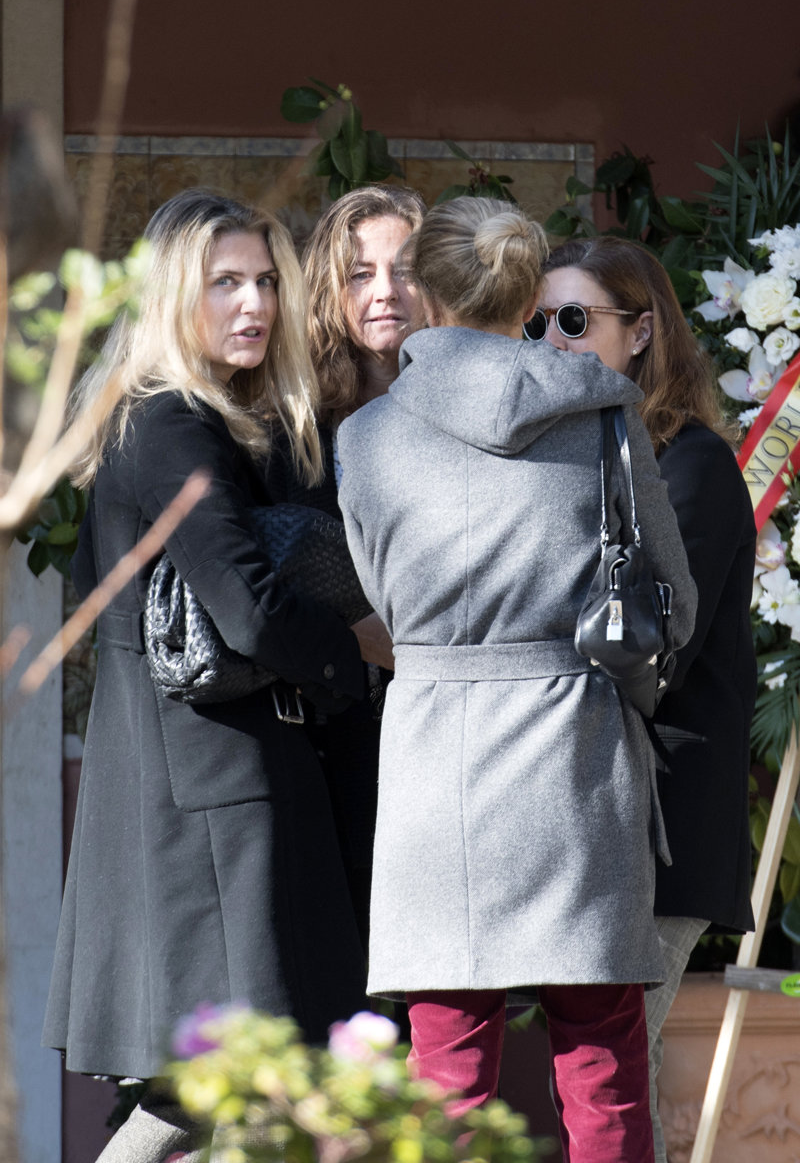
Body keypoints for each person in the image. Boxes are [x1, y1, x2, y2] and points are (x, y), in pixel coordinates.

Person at [336, 197, 698, 1163]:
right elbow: (672, 600)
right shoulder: (603, 412)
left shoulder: (365, 436)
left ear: (427, 290)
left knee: (445, 1075)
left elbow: (380, 596)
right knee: (603, 1067)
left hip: (432, 764)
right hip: (577, 754)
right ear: (530, 295)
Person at [43, 189, 371, 1162]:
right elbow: (248, 610)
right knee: (250, 1087)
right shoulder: (170, 423)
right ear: (171, 294)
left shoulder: (197, 420)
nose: (254, 304)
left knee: (214, 1090)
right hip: (214, 802)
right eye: (224, 282)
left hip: (205, 788)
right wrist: (359, 649)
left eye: (265, 281)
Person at [536, 237, 756, 1163]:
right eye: (535, 323)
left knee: (617, 1076)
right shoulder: (571, 454)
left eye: (574, 320)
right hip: (586, 814)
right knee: (606, 1082)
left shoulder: (690, 464)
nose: (552, 341)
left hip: (659, 822)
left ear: (641, 331)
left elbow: (651, 652)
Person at [266, 184, 426, 950]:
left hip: (449, 735)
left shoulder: (475, 417)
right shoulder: (291, 426)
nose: (385, 290)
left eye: (406, 268)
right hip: (332, 736)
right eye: (361, 273)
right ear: (329, 291)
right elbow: (280, 569)